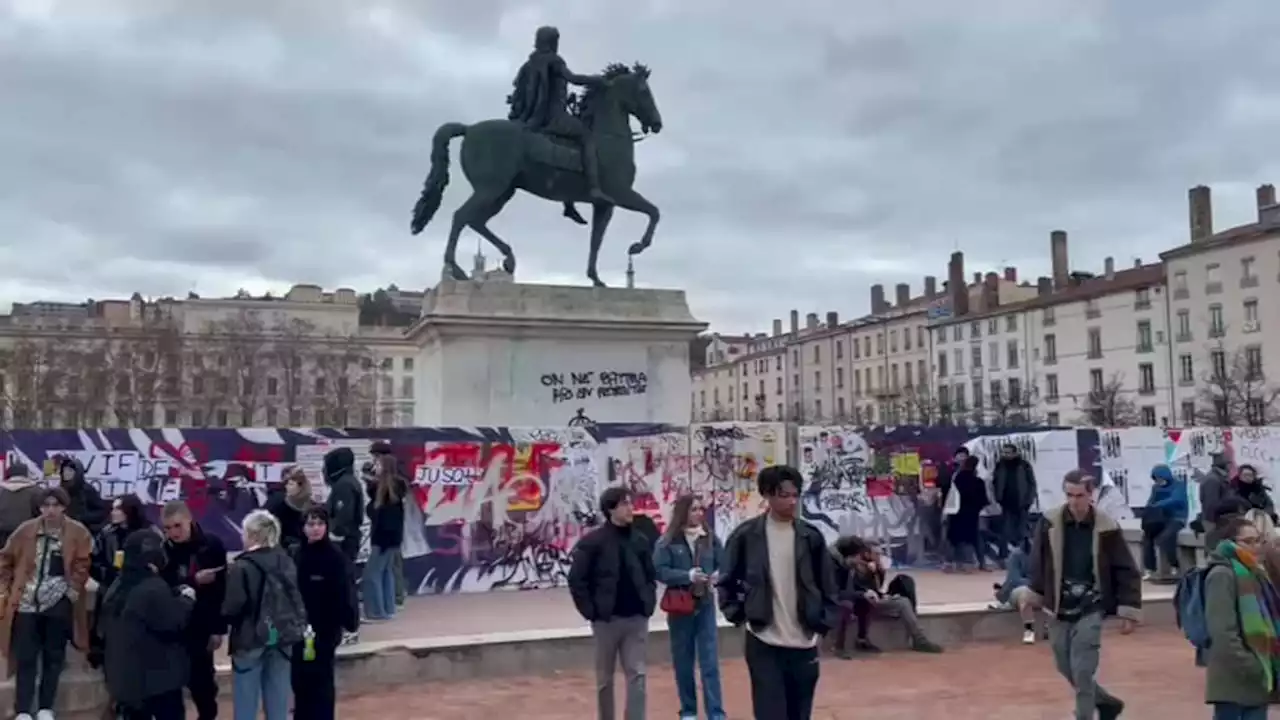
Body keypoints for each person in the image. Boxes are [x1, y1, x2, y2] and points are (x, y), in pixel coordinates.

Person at [717, 465, 838, 720]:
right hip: (764, 641)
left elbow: (828, 584)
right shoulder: (747, 536)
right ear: (768, 495)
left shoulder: (811, 537)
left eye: (795, 495)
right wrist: (739, 615)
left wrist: (823, 622)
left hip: (804, 640)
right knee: (769, 713)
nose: (791, 501)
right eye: (784, 495)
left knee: (799, 714)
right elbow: (727, 580)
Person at [1026, 470, 1140, 720]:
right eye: (1069, 494)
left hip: (1092, 605)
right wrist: (1034, 593)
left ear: (1091, 494)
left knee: (1083, 669)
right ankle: (1106, 702)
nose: (1074, 501)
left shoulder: (1106, 526)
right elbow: (1038, 559)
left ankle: (1084, 715)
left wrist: (1129, 609)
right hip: (1058, 605)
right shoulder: (1049, 521)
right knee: (1063, 664)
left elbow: (1126, 568)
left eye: (1080, 495)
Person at [0, 487, 93, 720]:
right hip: (26, 603)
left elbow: (83, 563)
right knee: (26, 658)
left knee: (54, 657)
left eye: (55, 505)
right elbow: (5, 559)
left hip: (58, 602)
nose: (50, 510)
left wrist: (71, 591)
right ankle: (23, 710)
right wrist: (8, 588)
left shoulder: (77, 532)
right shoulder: (25, 530)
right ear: (40, 507)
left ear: (64, 506)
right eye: (46, 505)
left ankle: (45, 708)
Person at [507, 24, 615, 220]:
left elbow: (518, 91)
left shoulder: (528, 64)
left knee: (567, 145)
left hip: (532, 118)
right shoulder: (554, 60)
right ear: (552, 42)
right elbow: (573, 78)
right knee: (587, 138)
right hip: (554, 117)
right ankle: (594, 189)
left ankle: (569, 203)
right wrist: (597, 80)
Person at [567, 487, 657, 720]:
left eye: (630, 503)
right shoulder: (593, 542)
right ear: (610, 509)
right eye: (624, 504)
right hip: (606, 621)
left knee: (637, 674)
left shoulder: (640, 539)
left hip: (636, 618)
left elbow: (650, 575)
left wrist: (648, 602)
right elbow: (577, 579)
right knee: (605, 679)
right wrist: (590, 611)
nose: (630, 508)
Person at [100, 530, 195, 720]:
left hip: (124, 680)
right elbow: (172, 623)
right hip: (156, 681)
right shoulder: (153, 587)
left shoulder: (117, 586)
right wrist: (186, 601)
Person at [222, 510, 307, 720]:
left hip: (250, 638)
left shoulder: (242, 566)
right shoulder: (286, 560)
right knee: (278, 700)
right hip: (282, 636)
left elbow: (233, 606)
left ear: (252, 535)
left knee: (246, 703)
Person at [653, 494, 725, 720]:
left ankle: (716, 712)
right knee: (683, 661)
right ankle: (689, 710)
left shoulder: (710, 539)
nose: (699, 513)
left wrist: (717, 576)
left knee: (710, 662)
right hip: (680, 608)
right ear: (683, 512)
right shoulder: (667, 541)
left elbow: (725, 564)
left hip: (705, 605)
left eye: (700, 509)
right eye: (694, 509)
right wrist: (686, 576)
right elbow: (659, 571)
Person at [1203, 515, 1280, 719]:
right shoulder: (1222, 574)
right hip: (1234, 679)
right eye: (1248, 541)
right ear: (1230, 543)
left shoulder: (1255, 572)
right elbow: (1222, 631)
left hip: (1258, 676)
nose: (1255, 547)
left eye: (1258, 540)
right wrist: (1252, 665)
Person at [159, 501, 227, 720]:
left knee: (203, 683)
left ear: (190, 520)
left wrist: (218, 629)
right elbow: (162, 586)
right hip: (174, 626)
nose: (173, 532)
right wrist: (193, 580)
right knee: (171, 685)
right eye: (167, 528)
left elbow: (221, 590)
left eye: (177, 526)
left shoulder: (212, 545)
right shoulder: (163, 551)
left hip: (202, 624)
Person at [290, 507, 358, 720]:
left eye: (320, 524)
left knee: (322, 682)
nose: (316, 529)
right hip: (299, 631)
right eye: (311, 524)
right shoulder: (296, 554)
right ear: (303, 527)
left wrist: (348, 622)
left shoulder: (335, 557)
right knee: (299, 681)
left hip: (325, 631)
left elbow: (345, 592)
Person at [833, 538, 940, 656]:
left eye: (880, 553)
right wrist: (865, 591)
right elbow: (849, 590)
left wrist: (878, 573)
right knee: (902, 603)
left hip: (873, 599)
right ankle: (919, 640)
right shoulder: (852, 567)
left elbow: (877, 588)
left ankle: (918, 637)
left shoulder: (875, 568)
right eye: (876, 554)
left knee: (904, 584)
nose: (879, 556)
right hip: (860, 601)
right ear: (866, 554)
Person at [89, 494, 154, 672]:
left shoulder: (150, 534)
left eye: (118, 508)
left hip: (140, 595)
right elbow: (93, 561)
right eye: (112, 508)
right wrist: (107, 575)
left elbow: (159, 563)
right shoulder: (106, 533)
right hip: (112, 592)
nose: (113, 512)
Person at [362, 455, 405, 623]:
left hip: (383, 539)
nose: (375, 467)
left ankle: (376, 612)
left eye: (378, 464)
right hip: (392, 539)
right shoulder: (394, 489)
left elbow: (378, 514)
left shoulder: (386, 490)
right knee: (386, 573)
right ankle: (388, 609)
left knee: (372, 574)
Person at [368, 443, 408, 606]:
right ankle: (394, 599)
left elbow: (383, 510)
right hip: (391, 534)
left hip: (387, 535)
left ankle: (393, 599)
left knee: (385, 569)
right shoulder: (393, 480)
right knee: (390, 567)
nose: (374, 461)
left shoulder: (393, 482)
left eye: (376, 457)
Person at [988, 540, 1042, 644]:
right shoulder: (1016, 555)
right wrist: (1035, 584)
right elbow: (1014, 579)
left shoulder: (1046, 556)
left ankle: (1049, 626)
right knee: (1025, 594)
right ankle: (1029, 630)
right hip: (1018, 590)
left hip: (1039, 590)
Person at [1141, 464, 1188, 582]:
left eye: (1160, 478)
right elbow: (1151, 501)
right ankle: (1150, 568)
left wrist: (1158, 505)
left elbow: (1176, 499)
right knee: (1147, 538)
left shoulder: (1179, 485)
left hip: (1177, 518)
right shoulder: (1156, 488)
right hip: (1161, 519)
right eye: (1156, 479)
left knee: (1166, 537)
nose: (1159, 481)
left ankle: (1174, 565)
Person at [943, 455, 988, 573]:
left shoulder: (957, 480)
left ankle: (949, 563)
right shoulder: (978, 482)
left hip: (956, 513)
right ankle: (968, 564)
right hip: (972, 514)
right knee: (970, 539)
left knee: (953, 538)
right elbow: (983, 500)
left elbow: (949, 496)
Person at [321, 447, 364, 566]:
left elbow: (343, 516)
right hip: (348, 539)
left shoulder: (344, 485)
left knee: (342, 574)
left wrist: (334, 536)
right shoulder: (349, 481)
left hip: (343, 542)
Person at [993, 443, 1037, 553]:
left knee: (1022, 532)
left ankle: (1026, 555)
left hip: (1022, 503)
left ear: (1014, 453)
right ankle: (1003, 555)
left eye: (1008, 452)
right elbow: (995, 482)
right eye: (1004, 452)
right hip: (1006, 503)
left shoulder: (1024, 465)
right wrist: (998, 497)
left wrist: (1029, 500)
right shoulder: (1000, 465)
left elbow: (1032, 484)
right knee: (1005, 531)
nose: (1005, 454)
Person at [267, 466, 312, 554]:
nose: (288, 487)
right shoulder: (277, 502)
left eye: (291, 484)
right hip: (283, 550)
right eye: (287, 483)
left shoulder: (309, 504)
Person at [57, 457, 107, 536]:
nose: (66, 473)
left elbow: (100, 512)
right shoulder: (59, 490)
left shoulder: (87, 490)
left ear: (77, 472)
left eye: (70, 471)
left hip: (83, 532)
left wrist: (82, 517)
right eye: (64, 470)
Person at [0, 462, 44, 549]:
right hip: (28, 536)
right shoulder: (37, 491)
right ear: (26, 474)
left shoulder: (1, 491)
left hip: (2, 537)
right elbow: (41, 514)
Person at [1199, 452, 1235, 543]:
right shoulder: (1213, 479)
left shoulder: (1221, 477)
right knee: (1215, 547)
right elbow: (1211, 505)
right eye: (1228, 464)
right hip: (1214, 521)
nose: (1230, 466)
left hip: (1221, 520)